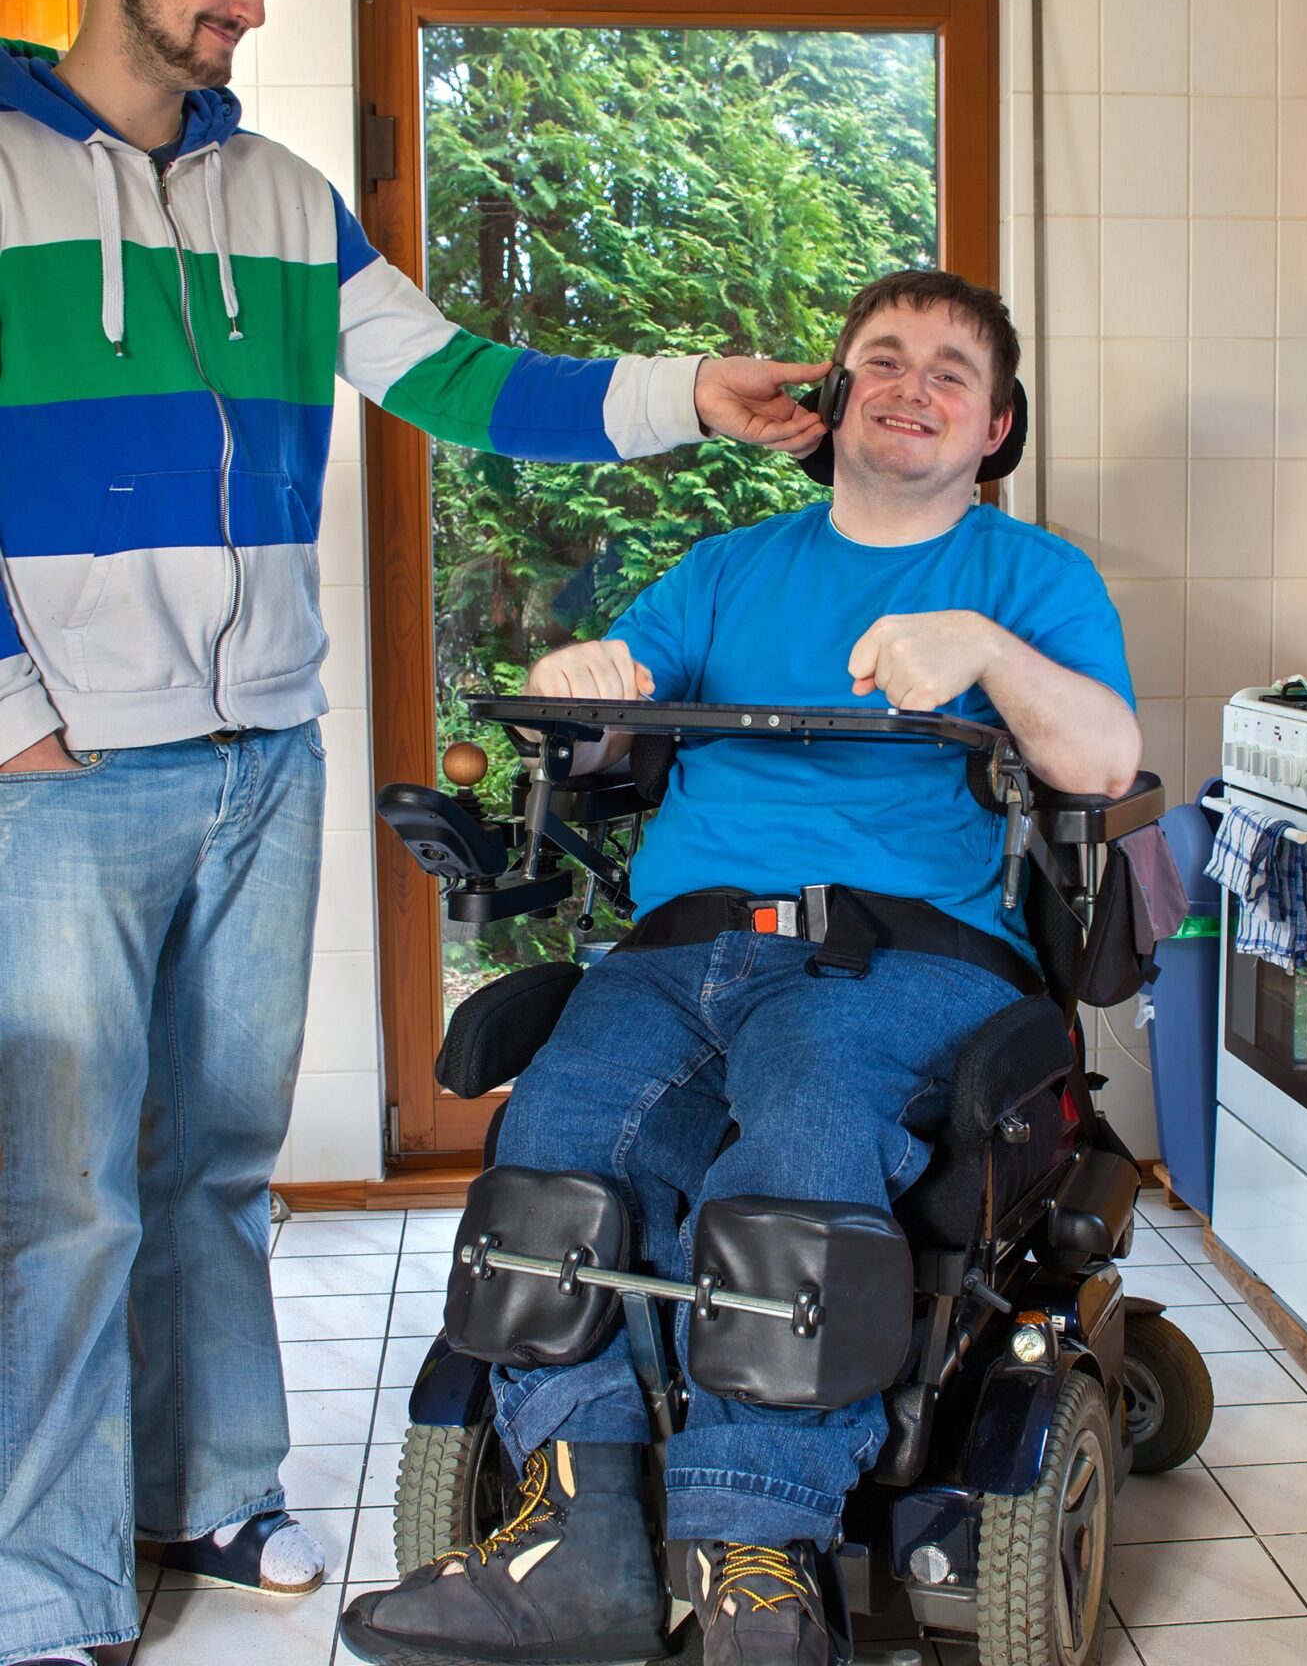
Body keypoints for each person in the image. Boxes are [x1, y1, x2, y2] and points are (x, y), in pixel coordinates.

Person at [0, 0, 828, 1666]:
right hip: (55, 778)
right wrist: (12, 715)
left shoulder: (283, 197)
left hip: (258, 753)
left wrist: (689, 393)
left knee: (213, 1163)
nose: (244, 5)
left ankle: (208, 1489)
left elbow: (458, 379)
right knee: (54, 1194)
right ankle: (42, 1584)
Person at [342, 270, 1141, 1666]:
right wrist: (585, 667)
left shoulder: (1030, 577)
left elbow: (1100, 764)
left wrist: (983, 652)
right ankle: (578, 1541)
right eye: (879, 359)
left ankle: (756, 1553)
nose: (909, 385)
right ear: (831, 400)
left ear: (994, 426)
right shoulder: (726, 568)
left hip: (895, 957)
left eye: (948, 371)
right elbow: (611, 683)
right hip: (680, 947)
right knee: (555, 1147)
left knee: (805, 1140)